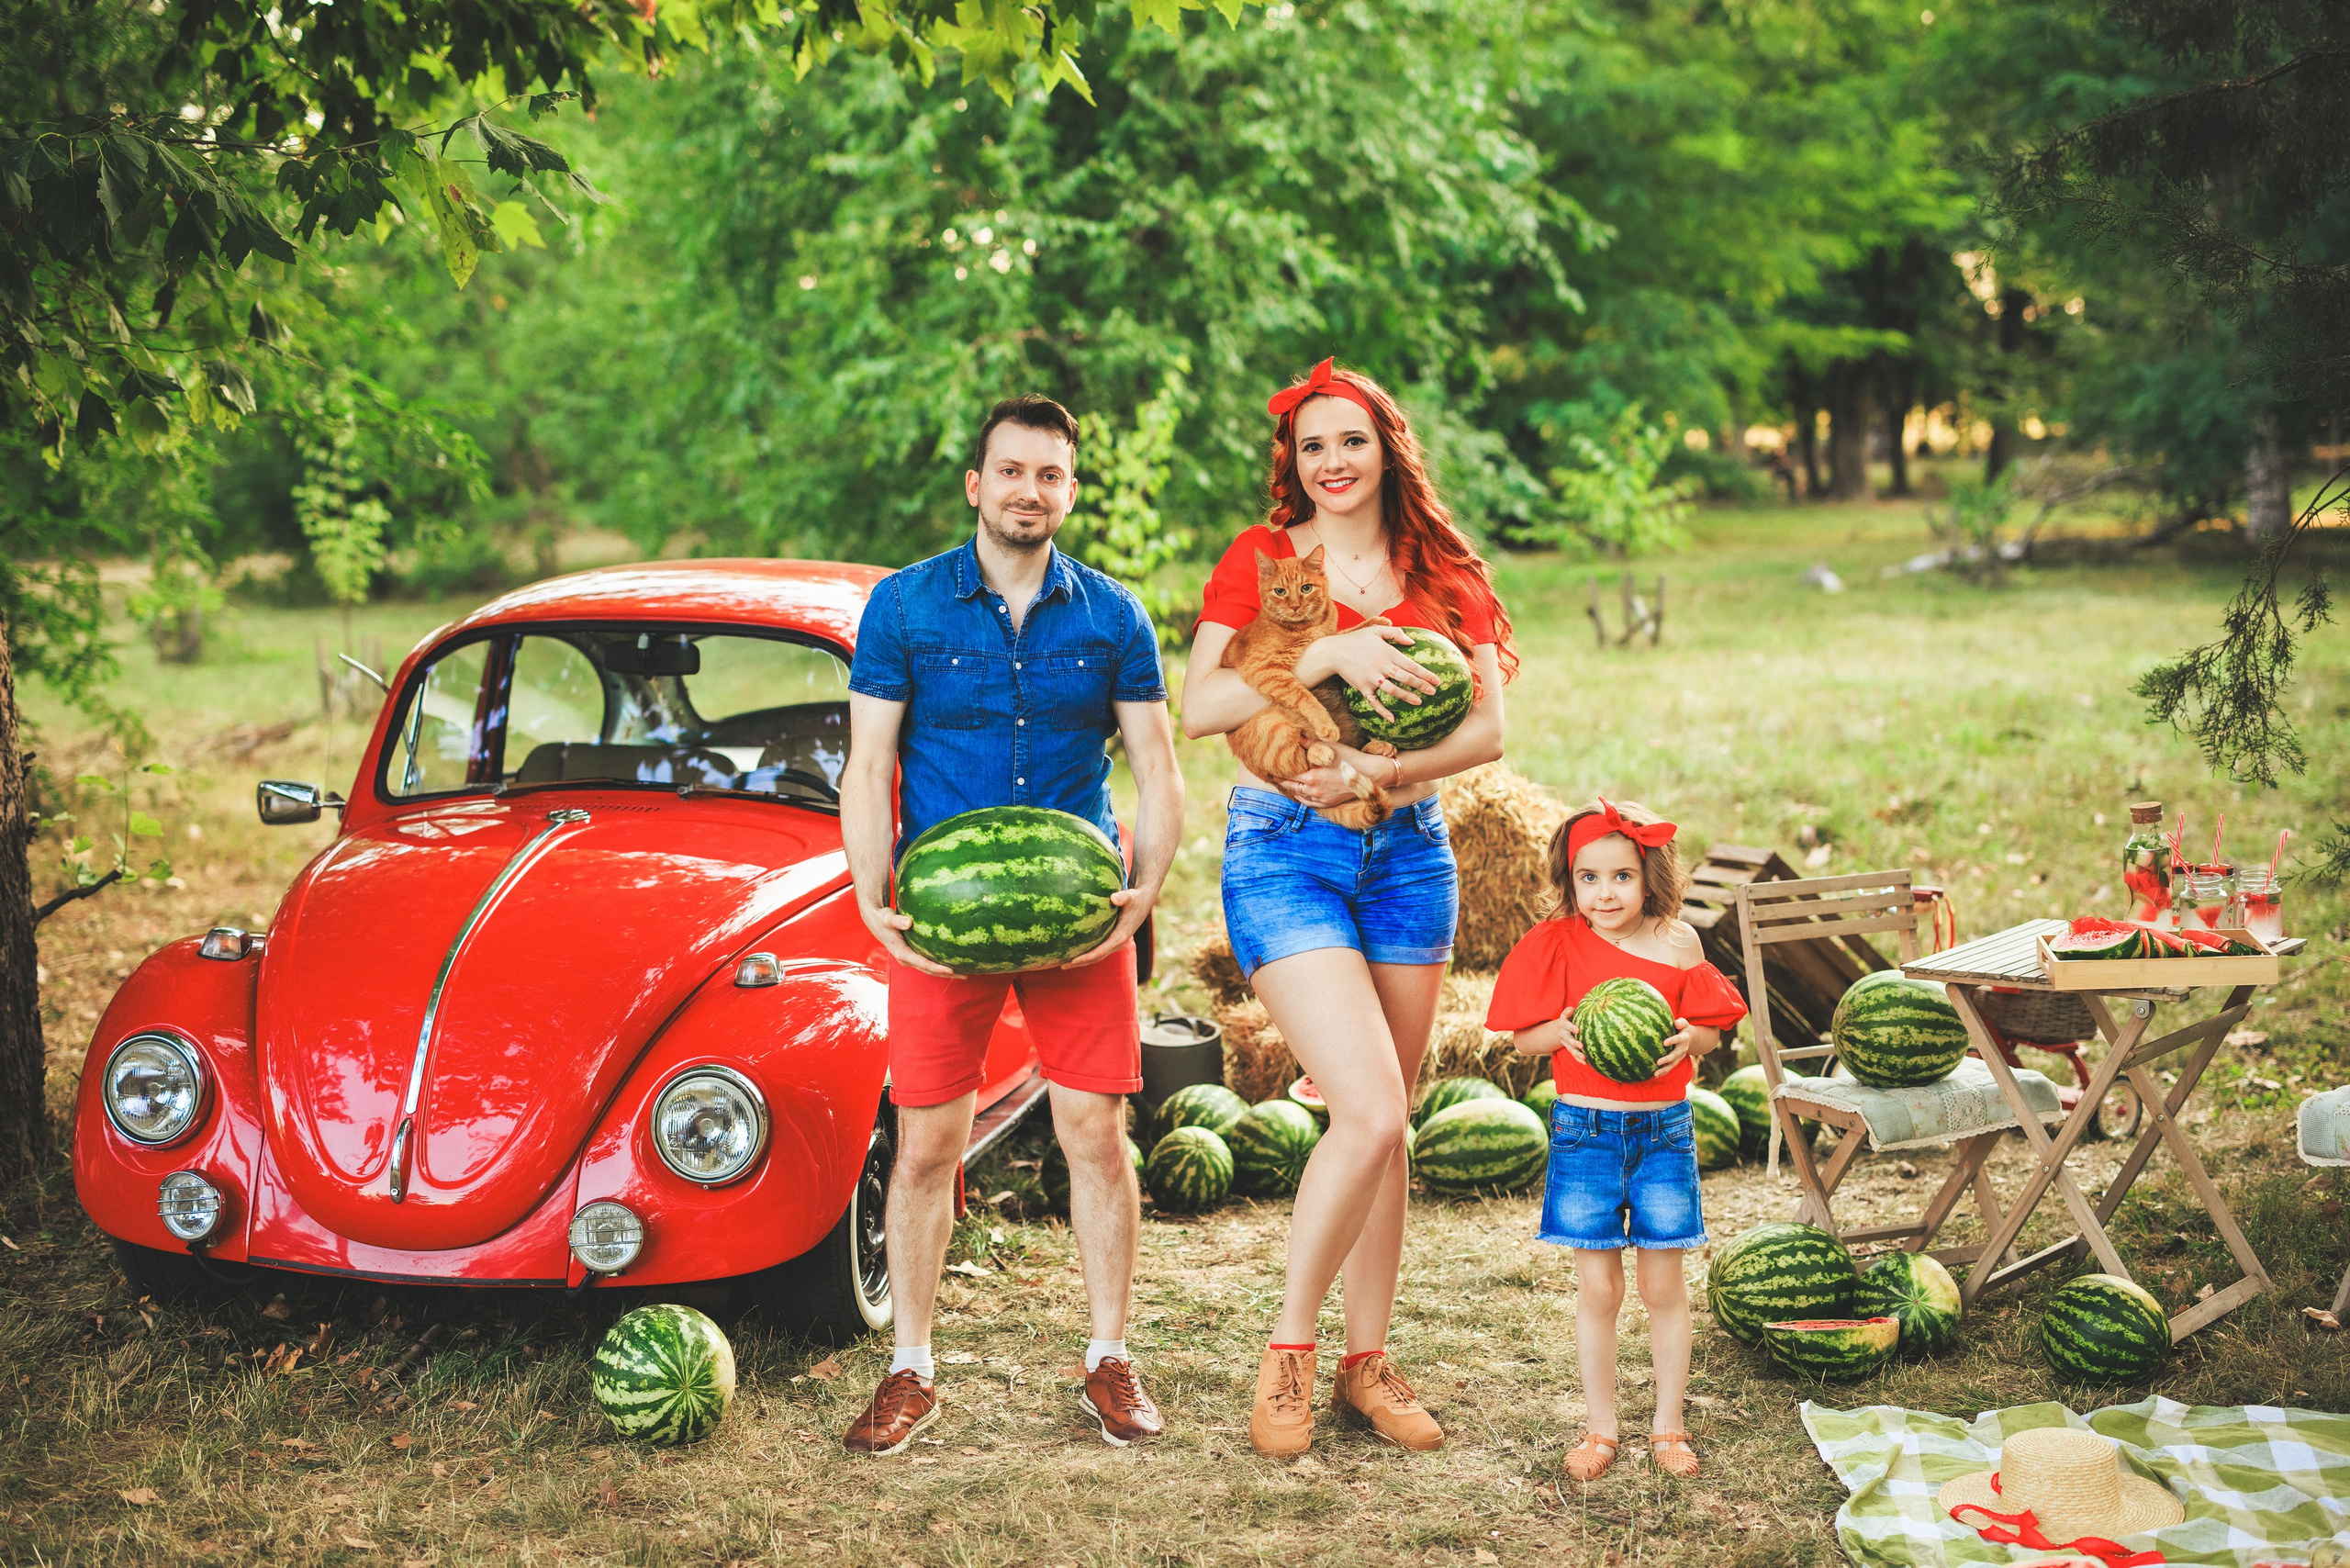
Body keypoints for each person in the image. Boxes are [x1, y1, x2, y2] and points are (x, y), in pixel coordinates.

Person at [839, 394, 1185, 1454]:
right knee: (928, 1142)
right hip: (945, 916)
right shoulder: (903, 608)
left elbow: (1159, 770)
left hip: (1081, 911)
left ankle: (1109, 1356)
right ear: (975, 485)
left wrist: (1143, 892)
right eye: (1012, 470)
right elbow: (865, 767)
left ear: (1069, 492)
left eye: (1050, 475)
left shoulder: (1114, 616)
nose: (1030, 490)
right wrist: (870, 895)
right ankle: (911, 1368)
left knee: (1094, 1132)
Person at [1181, 357, 1514, 1457]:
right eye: (1311, 445)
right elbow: (1202, 704)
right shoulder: (1263, 562)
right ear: (1296, 460)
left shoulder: (1442, 570)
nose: (1330, 462)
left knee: (1385, 1129)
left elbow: (1487, 733)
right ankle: (1288, 1353)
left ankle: (1367, 1365)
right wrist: (1323, 649)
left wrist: (1382, 778)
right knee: (1368, 1107)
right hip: (1282, 853)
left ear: (1386, 450)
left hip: (1409, 852)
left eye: (1350, 442)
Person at [1485, 798, 1747, 1482]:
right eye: (1589, 878)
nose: (1606, 893)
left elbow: (1715, 1026)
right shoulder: (1555, 941)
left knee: (1664, 1285)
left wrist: (1694, 1037)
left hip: (1663, 1131)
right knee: (1598, 1288)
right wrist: (1562, 1031)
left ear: (1650, 875)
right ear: (1569, 881)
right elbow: (1522, 1039)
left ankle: (1669, 1425)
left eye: (1623, 877)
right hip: (1585, 1133)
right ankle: (1600, 1426)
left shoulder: (1678, 942)